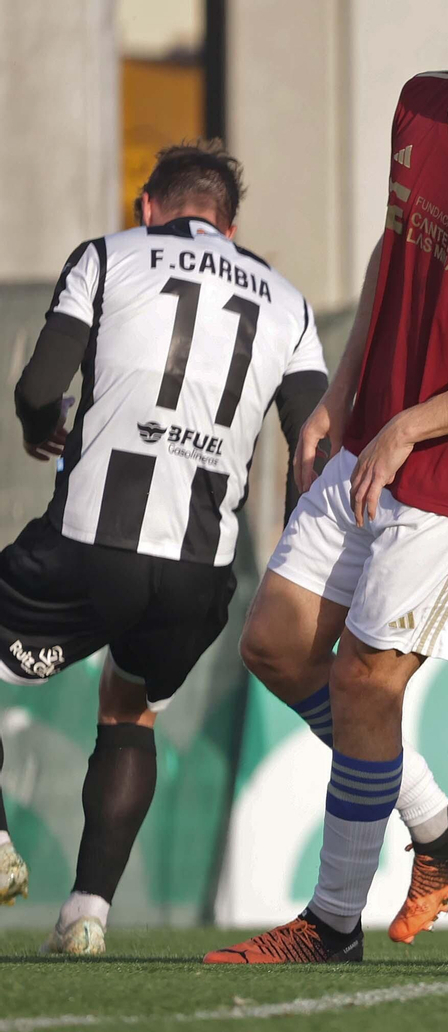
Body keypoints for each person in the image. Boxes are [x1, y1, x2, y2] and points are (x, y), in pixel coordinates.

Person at [205, 0, 448, 964]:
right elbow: (395, 249)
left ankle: (333, 923)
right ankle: (439, 829)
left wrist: (410, 427)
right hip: (375, 432)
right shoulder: (419, 106)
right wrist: (341, 395)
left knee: (363, 678)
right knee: (275, 646)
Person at [0, 141, 329, 954]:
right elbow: (315, 445)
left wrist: (42, 422)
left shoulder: (109, 258)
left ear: (148, 207)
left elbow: (42, 386)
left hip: (89, 545)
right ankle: (87, 915)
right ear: (231, 223)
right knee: (129, 708)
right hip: (199, 571)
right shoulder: (288, 303)